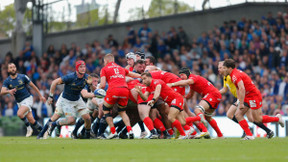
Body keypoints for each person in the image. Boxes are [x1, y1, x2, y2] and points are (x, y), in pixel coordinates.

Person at [222, 59, 284, 140]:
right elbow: (238, 88)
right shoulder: (233, 74)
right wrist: (240, 100)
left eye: (224, 68)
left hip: (253, 96)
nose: (223, 70)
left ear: (229, 68)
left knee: (258, 119)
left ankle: (277, 119)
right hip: (247, 96)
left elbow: (242, 88)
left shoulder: (234, 75)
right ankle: (249, 135)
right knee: (238, 115)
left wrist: (240, 103)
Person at [37, 60, 95, 139]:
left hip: (77, 99)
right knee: (67, 120)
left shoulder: (86, 78)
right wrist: (50, 96)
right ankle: (42, 134)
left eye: (84, 66)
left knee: (88, 118)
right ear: (77, 68)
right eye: (81, 67)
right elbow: (54, 82)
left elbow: (88, 92)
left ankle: (88, 136)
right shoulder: (70, 77)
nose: (83, 68)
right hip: (66, 100)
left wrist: (91, 85)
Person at [168, 67, 224, 139]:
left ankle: (203, 128)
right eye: (180, 75)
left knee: (197, 110)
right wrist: (182, 98)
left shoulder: (193, 77)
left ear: (187, 74)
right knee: (208, 117)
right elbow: (190, 95)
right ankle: (220, 135)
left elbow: (187, 82)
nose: (181, 77)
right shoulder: (193, 83)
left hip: (212, 94)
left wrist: (172, 84)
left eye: (182, 75)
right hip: (216, 95)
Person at [99, 54, 140, 139]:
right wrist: (141, 76)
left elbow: (102, 85)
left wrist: (97, 89)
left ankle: (113, 132)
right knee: (122, 112)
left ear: (106, 61)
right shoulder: (121, 68)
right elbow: (131, 74)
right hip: (125, 90)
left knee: (106, 109)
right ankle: (130, 131)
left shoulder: (104, 69)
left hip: (114, 90)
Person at [136, 72, 188, 139]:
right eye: (142, 79)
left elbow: (157, 93)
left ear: (150, 77)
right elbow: (145, 98)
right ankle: (197, 120)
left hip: (176, 98)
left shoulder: (157, 82)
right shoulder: (149, 87)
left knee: (170, 117)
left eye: (145, 78)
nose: (143, 81)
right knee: (182, 122)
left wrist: (153, 100)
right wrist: (140, 93)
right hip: (170, 101)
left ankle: (183, 134)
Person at [1, 63, 45, 137]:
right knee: (31, 120)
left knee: (19, 113)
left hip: (28, 99)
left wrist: (40, 96)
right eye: (11, 67)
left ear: (16, 68)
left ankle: (29, 128)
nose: (13, 68)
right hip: (19, 102)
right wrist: (9, 91)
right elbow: (2, 92)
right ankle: (44, 131)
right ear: (8, 70)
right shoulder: (7, 81)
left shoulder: (23, 77)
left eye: (14, 67)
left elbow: (33, 86)